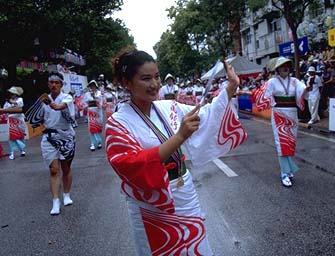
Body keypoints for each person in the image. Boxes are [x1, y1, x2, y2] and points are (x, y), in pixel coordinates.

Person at [105, 50, 246, 255]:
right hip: (152, 206)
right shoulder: (117, 123)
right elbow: (131, 164)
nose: (154, 84)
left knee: (197, 247)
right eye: (146, 78)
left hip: (185, 191)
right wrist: (180, 136)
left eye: (157, 76)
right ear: (126, 82)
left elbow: (204, 115)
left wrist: (230, 86)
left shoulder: (168, 107)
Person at [252, 57, 310, 187]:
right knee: (282, 143)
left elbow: (302, 89)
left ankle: (288, 170)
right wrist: (270, 101)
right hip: (279, 113)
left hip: (292, 114)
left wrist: (306, 90)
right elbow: (263, 95)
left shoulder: (295, 81)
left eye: (287, 65)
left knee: (291, 142)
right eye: (283, 66)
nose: (285, 68)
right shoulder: (272, 82)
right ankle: (284, 173)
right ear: (277, 69)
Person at [24, 72, 76, 215]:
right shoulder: (42, 100)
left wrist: (49, 102)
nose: (53, 85)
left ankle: (66, 194)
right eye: (51, 82)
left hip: (66, 136)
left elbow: (58, 107)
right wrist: (2, 110)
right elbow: (27, 111)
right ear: (48, 84)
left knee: (66, 168)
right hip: (48, 137)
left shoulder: (67, 97)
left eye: (56, 82)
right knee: (54, 169)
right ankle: (55, 201)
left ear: (61, 84)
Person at [0, 86, 27, 160]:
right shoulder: (7, 102)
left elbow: (18, 105)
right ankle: (12, 152)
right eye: (10, 93)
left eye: (13, 93)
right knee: (12, 137)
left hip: (19, 119)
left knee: (21, 136)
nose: (11, 94)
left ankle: (22, 150)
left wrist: (10, 103)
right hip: (11, 120)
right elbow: (4, 110)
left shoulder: (20, 99)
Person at [83, 80, 103, 151]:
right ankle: (92, 143)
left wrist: (94, 97)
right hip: (91, 112)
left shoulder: (99, 93)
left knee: (98, 127)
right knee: (91, 128)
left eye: (93, 85)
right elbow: (84, 103)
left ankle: (99, 142)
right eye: (91, 85)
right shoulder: (87, 94)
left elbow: (101, 103)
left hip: (98, 112)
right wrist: (85, 107)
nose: (92, 87)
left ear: (96, 85)